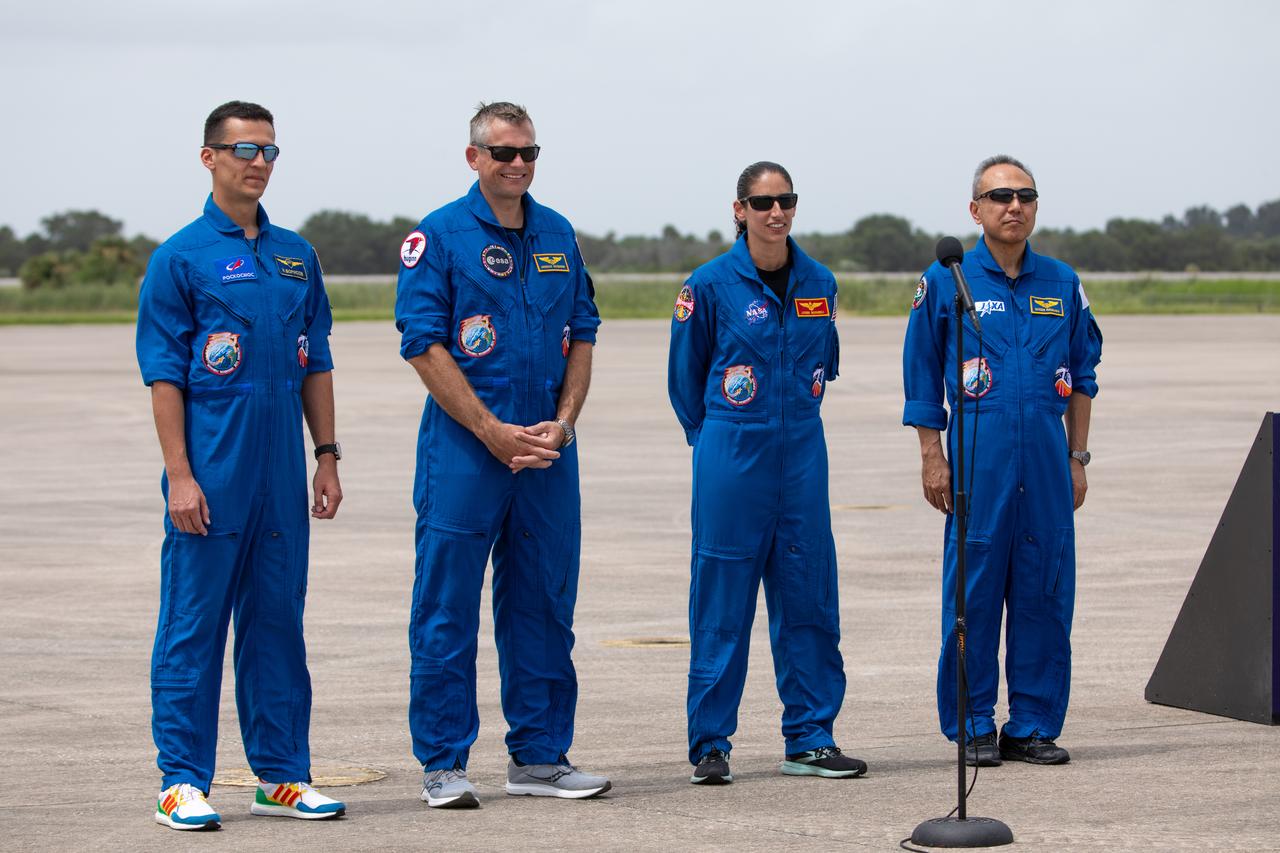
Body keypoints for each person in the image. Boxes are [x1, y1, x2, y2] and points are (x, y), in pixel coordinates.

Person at [135, 101, 346, 830]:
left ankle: (283, 774)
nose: (258, 163)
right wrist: (180, 475)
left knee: (278, 623)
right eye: (244, 149)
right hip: (212, 472)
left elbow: (314, 359)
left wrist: (325, 454)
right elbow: (164, 374)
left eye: (270, 152)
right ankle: (181, 779)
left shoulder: (296, 255)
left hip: (282, 474)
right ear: (210, 158)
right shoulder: (180, 257)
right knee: (193, 624)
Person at [395, 101, 610, 809]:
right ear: (474, 158)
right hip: (467, 452)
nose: (517, 165)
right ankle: (444, 763)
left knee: (544, 604)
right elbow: (422, 344)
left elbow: (582, 332)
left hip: (547, 453)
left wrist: (564, 423)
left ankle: (541, 757)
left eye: (528, 153)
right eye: (503, 153)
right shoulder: (439, 236)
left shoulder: (557, 233)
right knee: (446, 608)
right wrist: (490, 429)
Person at [667, 161, 867, 785]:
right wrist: (719, 444)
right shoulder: (708, 285)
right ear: (739, 210)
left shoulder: (821, 282)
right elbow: (684, 382)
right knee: (722, 604)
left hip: (803, 457)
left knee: (809, 598)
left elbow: (820, 372)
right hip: (731, 456)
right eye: (762, 203)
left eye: (785, 201)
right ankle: (710, 745)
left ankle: (810, 738)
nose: (775, 213)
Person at [902, 155, 1103, 767]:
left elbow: (1085, 377)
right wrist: (932, 457)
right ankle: (973, 723)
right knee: (974, 589)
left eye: (1025, 195)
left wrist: (1077, 457)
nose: (1013, 206)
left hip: (1045, 455)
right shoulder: (946, 280)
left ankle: (1034, 725)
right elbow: (921, 374)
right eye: (999, 196)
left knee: (1045, 588)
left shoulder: (1062, 283)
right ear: (975, 210)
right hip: (977, 454)